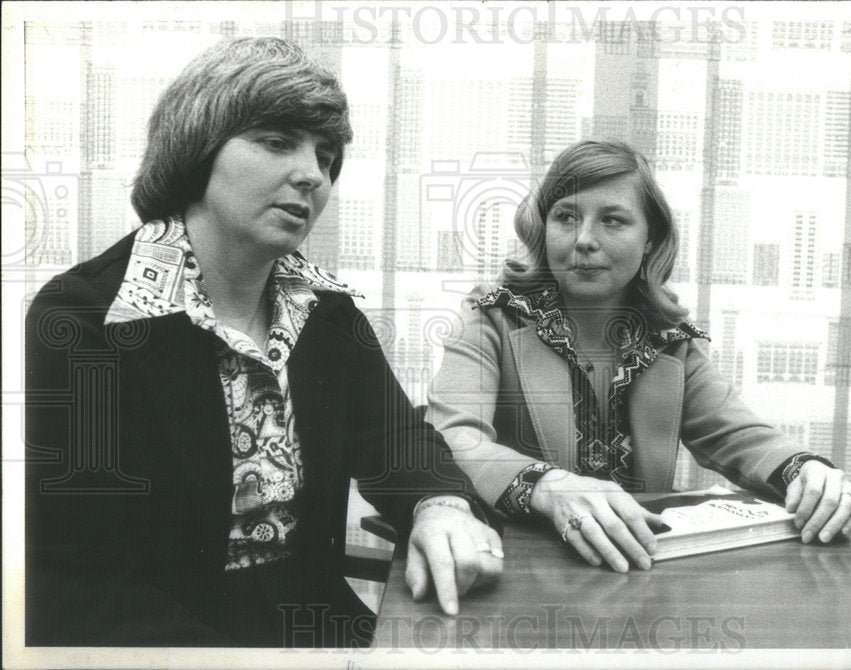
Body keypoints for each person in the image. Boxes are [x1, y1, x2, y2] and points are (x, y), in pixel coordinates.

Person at [24, 37, 502, 648]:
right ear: (196, 151)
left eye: (326, 156)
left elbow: (394, 437)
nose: (312, 174)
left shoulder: (322, 308)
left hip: (321, 634)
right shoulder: (85, 321)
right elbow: (80, 580)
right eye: (277, 142)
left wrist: (440, 506)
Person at [426, 140, 851, 574]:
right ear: (544, 228)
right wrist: (549, 486)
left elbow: (739, 435)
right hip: (518, 569)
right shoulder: (492, 318)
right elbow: (451, 439)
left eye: (613, 221)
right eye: (566, 217)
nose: (583, 240)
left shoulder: (668, 341)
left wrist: (805, 470)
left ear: (650, 239)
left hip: (638, 575)